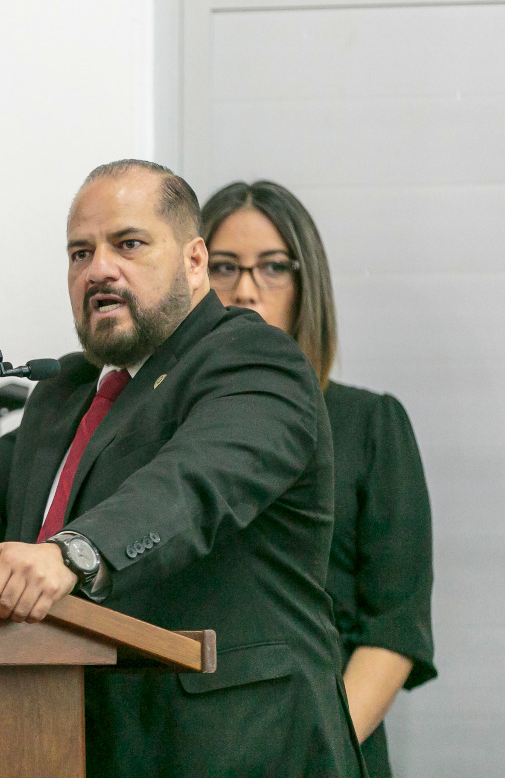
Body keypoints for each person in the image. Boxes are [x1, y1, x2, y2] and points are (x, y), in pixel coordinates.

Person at [0, 160, 365, 777]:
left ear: (195, 262)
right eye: (80, 253)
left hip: (239, 747)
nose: (99, 270)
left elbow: (195, 484)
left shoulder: (255, 360)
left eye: (129, 244)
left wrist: (72, 555)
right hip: (74, 740)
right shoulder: (68, 393)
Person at [201, 180, 436, 778]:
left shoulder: (369, 424)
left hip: (327, 746)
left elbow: (395, 627)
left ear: (308, 287)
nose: (246, 290)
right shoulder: (168, 428)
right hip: (194, 741)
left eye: (273, 268)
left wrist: (315, 752)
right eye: (225, 267)